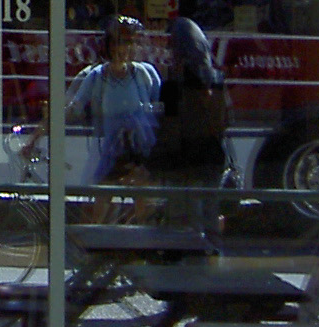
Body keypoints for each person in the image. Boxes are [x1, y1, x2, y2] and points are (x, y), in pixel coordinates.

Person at [58, 14, 161, 187]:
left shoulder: (146, 74)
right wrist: (43, 127)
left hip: (140, 152)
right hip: (110, 154)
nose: (126, 48)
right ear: (109, 45)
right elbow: (74, 108)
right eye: (121, 42)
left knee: (143, 196)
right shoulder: (96, 76)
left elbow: (161, 109)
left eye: (132, 42)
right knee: (101, 195)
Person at [152, 17, 232, 194]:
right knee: (209, 207)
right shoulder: (216, 79)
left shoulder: (173, 84)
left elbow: (170, 129)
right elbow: (225, 121)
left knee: (182, 208)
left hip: (183, 165)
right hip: (212, 160)